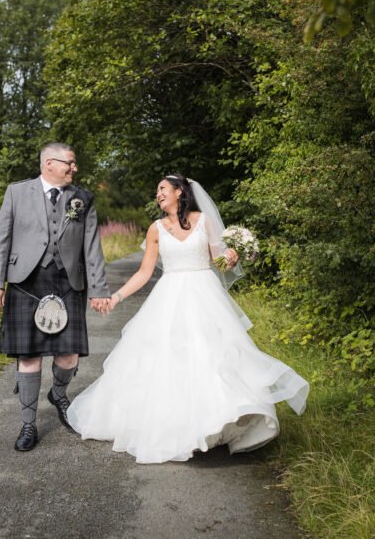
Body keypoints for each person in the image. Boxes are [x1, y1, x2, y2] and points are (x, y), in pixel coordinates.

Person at [67, 173, 309, 464]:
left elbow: (220, 261)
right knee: (170, 361)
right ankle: (178, 428)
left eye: (162, 189)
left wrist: (232, 257)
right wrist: (116, 297)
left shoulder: (203, 220)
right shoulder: (156, 229)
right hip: (169, 297)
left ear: (180, 192)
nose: (158, 195)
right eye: (157, 191)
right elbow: (144, 273)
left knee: (213, 358)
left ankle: (214, 423)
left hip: (205, 295)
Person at [0, 142, 110, 452]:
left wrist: (98, 289)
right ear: (49, 164)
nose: (74, 168)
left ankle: (58, 393)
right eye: (70, 162)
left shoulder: (83, 198)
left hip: (68, 280)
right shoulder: (17, 193)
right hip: (25, 280)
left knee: (68, 354)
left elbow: (92, 248)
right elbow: (0, 239)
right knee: (28, 355)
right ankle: (28, 424)